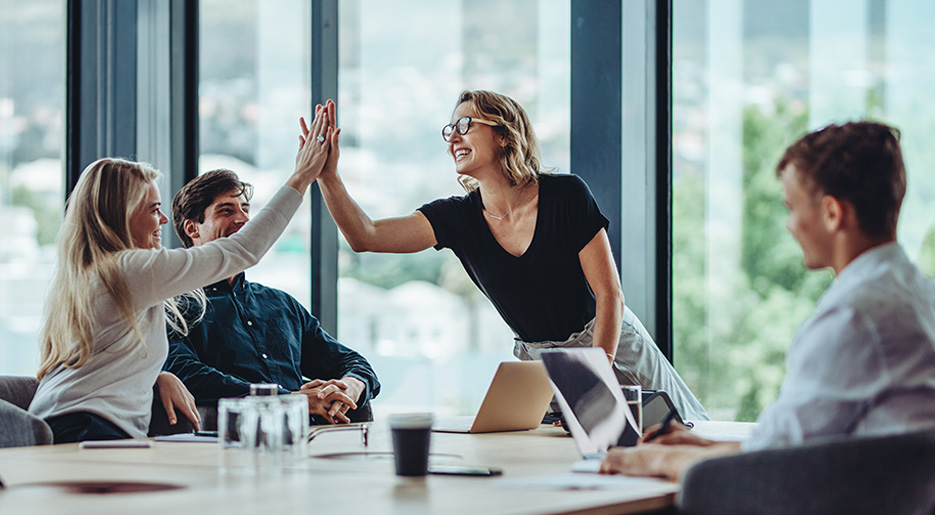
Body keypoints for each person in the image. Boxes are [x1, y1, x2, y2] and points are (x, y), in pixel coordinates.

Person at [306, 90, 707, 421]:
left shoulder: (566, 194)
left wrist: (591, 380)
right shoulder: (457, 217)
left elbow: (609, 296)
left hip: (610, 343)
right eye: (450, 130)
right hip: (540, 366)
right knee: (564, 466)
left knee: (685, 439)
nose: (453, 138)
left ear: (503, 134)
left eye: (466, 125)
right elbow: (365, 235)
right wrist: (329, 176)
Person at [600, 121, 935, 480]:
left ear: (832, 213)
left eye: (792, 208)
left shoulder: (855, 315)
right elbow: (791, 442)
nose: (789, 225)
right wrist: (705, 446)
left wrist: (648, 460)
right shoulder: (917, 293)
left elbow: (769, 466)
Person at [28, 104, 334, 443]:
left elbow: (104, 358)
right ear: (121, 214)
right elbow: (243, 250)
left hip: (67, 423)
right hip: (86, 429)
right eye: (153, 209)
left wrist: (159, 375)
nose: (162, 221)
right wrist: (301, 177)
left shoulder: (94, 273)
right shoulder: (126, 269)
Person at [164, 169, 380, 425]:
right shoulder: (173, 306)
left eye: (245, 209)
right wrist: (287, 399)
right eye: (226, 210)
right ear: (192, 228)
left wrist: (351, 386)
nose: (244, 219)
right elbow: (184, 372)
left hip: (310, 441)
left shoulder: (280, 303)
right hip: (231, 442)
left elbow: (350, 361)